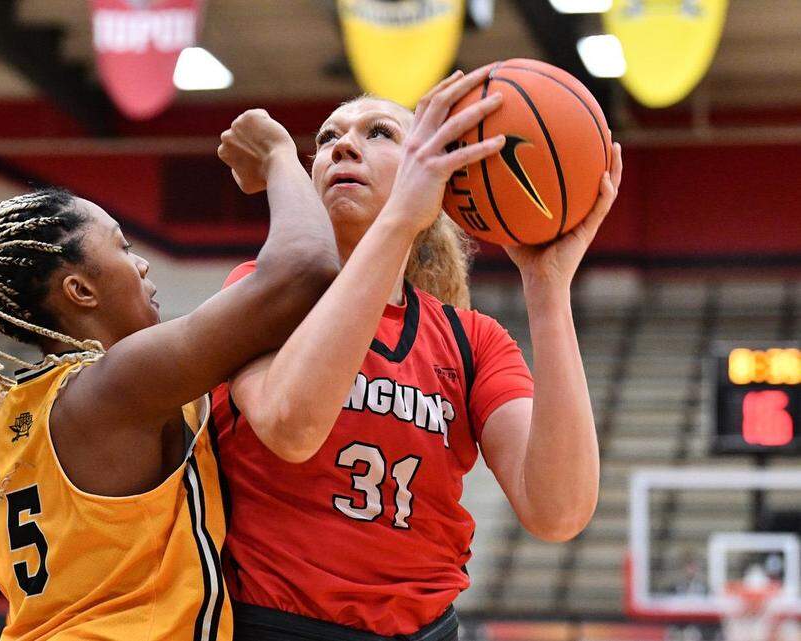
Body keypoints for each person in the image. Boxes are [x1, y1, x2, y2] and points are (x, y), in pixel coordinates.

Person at [0, 109, 339, 640]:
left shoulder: (14, 418)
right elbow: (304, 268)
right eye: (123, 247)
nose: (142, 265)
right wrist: (277, 152)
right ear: (80, 292)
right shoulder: (116, 384)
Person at [212, 68, 624, 639]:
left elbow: (558, 511)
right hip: (277, 624)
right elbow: (292, 425)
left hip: (428, 628)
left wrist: (548, 289)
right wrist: (403, 217)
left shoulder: (471, 340)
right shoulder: (260, 290)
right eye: (327, 139)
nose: (343, 145)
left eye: (378, 133)